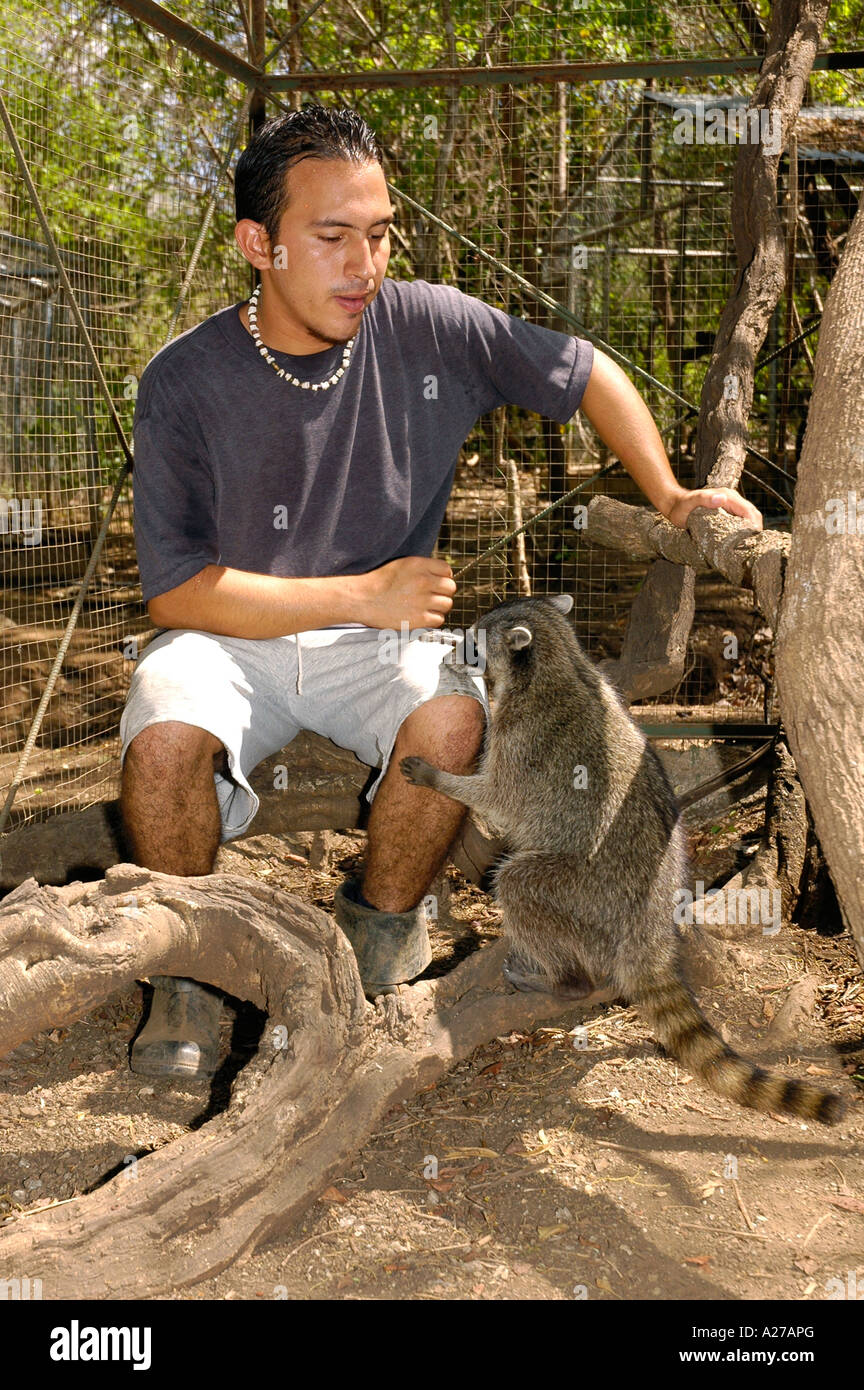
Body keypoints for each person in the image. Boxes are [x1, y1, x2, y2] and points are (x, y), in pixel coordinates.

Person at [119, 104, 762, 1079]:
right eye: (331, 237)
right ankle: (189, 973)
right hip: (233, 629)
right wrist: (359, 593)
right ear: (260, 244)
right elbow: (177, 595)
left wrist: (669, 491)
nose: (363, 264)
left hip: (378, 640)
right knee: (163, 739)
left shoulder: (432, 327)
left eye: (377, 234)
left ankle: (379, 930)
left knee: (455, 715)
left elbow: (586, 374)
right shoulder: (184, 379)